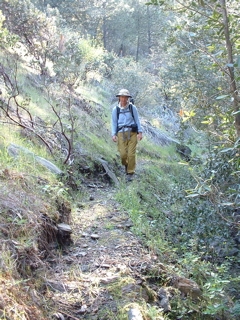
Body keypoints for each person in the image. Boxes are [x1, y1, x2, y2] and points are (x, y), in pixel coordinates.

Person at [111, 89, 143, 180]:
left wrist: (140, 132)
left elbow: (137, 120)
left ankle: (130, 173)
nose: (124, 99)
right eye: (122, 97)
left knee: (131, 154)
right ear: (119, 98)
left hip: (132, 133)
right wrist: (113, 134)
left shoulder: (132, 108)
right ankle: (126, 165)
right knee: (123, 154)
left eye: (126, 97)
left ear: (128, 98)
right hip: (121, 133)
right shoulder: (115, 110)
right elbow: (113, 123)